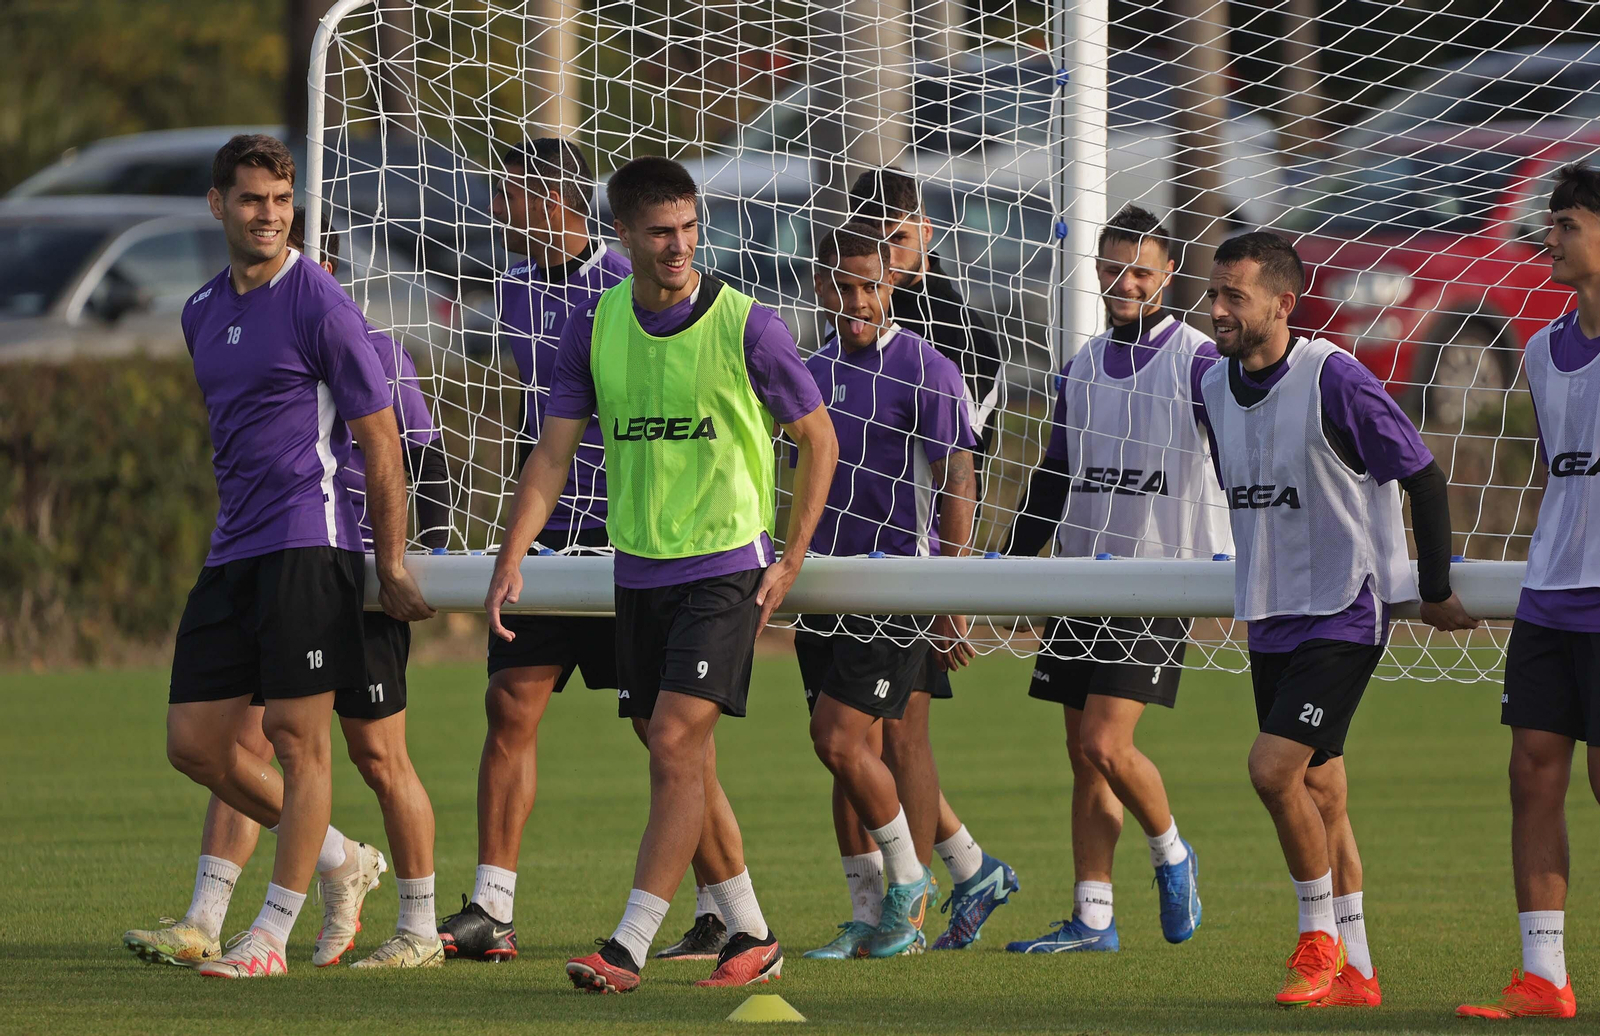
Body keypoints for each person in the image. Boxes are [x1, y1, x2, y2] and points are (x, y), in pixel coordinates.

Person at [484, 156, 838, 993]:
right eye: (659, 232)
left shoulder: (748, 325)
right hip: (638, 572)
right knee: (673, 746)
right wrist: (511, 553)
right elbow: (552, 454)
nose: (679, 246)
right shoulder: (594, 323)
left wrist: (791, 556)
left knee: (675, 742)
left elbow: (818, 439)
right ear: (623, 234)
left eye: (688, 228)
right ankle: (751, 930)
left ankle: (628, 944)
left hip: (725, 567)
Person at [124, 209, 451, 972]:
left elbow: (422, 459)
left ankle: (418, 925)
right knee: (234, 743)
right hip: (271, 563)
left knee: (376, 754)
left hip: (351, 573)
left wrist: (411, 560)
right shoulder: (223, 317)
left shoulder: (372, 345)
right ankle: (222, 911)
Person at [1198, 231, 1476, 1008]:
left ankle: (1317, 938)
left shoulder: (1334, 377)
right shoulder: (1214, 387)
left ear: (1283, 304)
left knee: (1271, 770)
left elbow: (1421, 474)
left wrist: (1433, 585)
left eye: (1234, 296)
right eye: (1213, 294)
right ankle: (1358, 970)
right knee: (1320, 792)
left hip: (1343, 609)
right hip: (1269, 613)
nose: (1217, 310)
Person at [1003, 206, 1223, 954]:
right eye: (1111, 268)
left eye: (1140, 271)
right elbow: (1054, 477)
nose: (1123, 282)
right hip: (1080, 581)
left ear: (1167, 275)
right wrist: (1008, 567)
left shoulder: (1198, 361)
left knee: (1104, 742)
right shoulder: (1082, 366)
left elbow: (1238, 456)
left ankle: (1173, 854)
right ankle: (1093, 915)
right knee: (1083, 755)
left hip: (1155, 582)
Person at [435, 138, 631, 964]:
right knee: (510, 705)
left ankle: (723, 909)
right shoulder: (514, 285)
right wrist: (517, 529)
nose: (495, 210)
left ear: (556, 200)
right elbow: (533, 422)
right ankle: (493, 906)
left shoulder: (627, 283)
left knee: (665, 731)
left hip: (630, 540)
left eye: (509, 194)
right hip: (548, 539)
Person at [794, 222, 985, 960]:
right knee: (844, 755)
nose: (856, 301)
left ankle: (909, 886)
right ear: (822, 285)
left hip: (898, 583)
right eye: (842, 286)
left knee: (839, 738)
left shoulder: (926, 368)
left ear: (892, 284)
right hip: (823, 585)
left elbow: (958, 482)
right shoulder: (807, 370)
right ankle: (868, 913)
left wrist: (949, 597)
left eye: (869, 286)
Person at [842, 167, 1021, 953]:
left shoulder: (957, 331)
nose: (885, 257)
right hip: (857, 559)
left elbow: (961, 471)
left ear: (927, 236)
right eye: (872, 241)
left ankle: (904, 910)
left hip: (917, 561)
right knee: (876, 737)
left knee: (889, 737)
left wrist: (954, 588)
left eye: (898, 239)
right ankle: (969, 868)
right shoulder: (848, 321)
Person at [1456, 163, 1600, 1022]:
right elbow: (1559, 470)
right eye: (1551, 223)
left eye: (1567, 224)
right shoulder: (1542, 350)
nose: (1549, 238)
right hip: (1551, 594)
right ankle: (1544, 977)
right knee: (1532, 774)